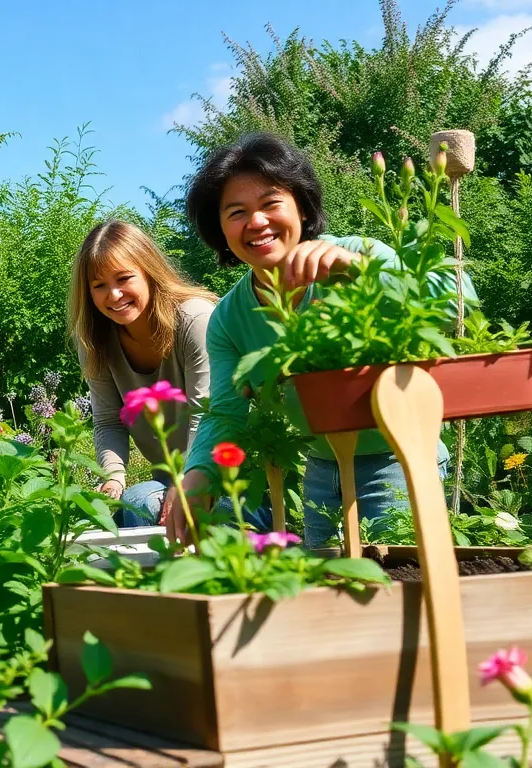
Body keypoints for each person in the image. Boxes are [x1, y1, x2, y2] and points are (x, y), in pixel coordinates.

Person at [168, 132, 477, 546]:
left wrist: (361, 272)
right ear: (219, 229)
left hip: (398, 457)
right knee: (329, 592)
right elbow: (226, 411)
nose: (256, 222)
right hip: (319, 468)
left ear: (301, 206)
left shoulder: (353, 254)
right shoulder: (228, 318)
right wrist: (198, 476)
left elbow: (459, 300)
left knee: (400, 586)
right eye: (236, 212)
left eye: (270, 204)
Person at [70, 220, 219, 527]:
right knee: (134, 502)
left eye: (124, 278)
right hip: (166, 482)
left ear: (149, 271)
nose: (113, 295)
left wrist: (187, 483)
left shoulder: (194, 319)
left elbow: (204, 414)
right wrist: (113, 478)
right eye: (99, 286)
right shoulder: (93, 341)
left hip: (225, 476)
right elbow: (109, 421)